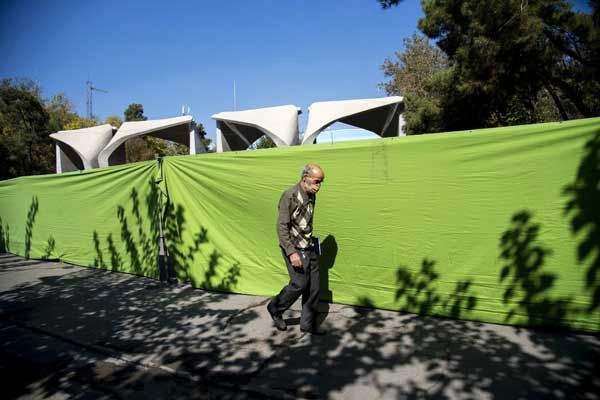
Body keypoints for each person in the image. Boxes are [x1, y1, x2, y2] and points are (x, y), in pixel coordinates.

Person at [267, 164, 325, 335]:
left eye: (321, 182)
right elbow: (282, 226)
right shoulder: (289, 195)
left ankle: (307, 324)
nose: (318, 186)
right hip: (293, 247)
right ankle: (275, 308)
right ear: (304, 177)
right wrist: (291, 252)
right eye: (316, 182)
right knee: (299, 284)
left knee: (313, 287)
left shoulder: (312, 195)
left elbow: (304, 223)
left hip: (309, 246)